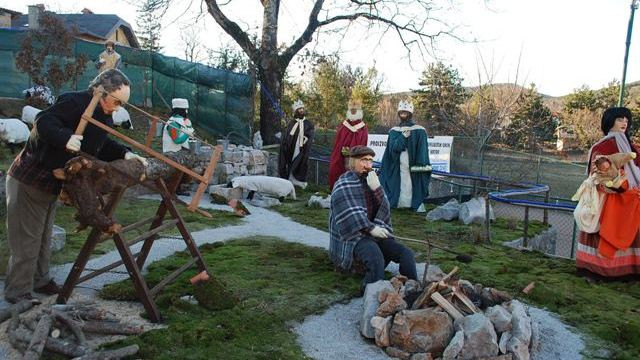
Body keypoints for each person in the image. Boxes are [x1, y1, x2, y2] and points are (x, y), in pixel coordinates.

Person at [4, 69, 148, 304]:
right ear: (100, 92)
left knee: (43, 237)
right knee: (27, 240)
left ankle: (40, 281)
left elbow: (101, 142)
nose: (118, 108)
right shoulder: (74, 101)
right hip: (29, 180)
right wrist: (65, 137)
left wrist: (126, 153)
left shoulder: (102, 113)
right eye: (117, 101)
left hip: (51, 183)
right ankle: (17, 293)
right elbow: (44, 121)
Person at [329, 145, 417, 291]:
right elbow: (350, 213)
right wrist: (371, 229)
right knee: (376, 259)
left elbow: (384, 207)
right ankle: (371, 293)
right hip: (355, 235)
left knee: (406, 254)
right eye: (363, 160)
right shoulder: (343, 184)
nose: (368, 165)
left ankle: (413, 288)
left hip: (375, 231)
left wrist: (377, 188)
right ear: (353, 162)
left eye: (370, 161)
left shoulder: (372, 181)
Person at [576, 107, 640, 278]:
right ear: (609, 121)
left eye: (626, 120)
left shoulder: (632, 147)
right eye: (620, 119)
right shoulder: (602, 146)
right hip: (607, 198)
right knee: (603, 228)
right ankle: (598, 269)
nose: (624, 123)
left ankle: (629, 269)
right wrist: (617, 183)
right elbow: (597, 173)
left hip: (631, 199)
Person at [379, 99, 432, 212]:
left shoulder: (419, 130)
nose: (403, 114)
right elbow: (393, 149)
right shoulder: (394, 131)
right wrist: (403, 137)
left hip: (413, 164)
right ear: (399, 113)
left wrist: (420, 164)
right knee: (400, 182)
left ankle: (414, 203)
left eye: (405, 112)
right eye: (401, 112)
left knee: (412, 183)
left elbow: (422, 150)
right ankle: (399, 203)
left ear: (410, 113)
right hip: (397, 164)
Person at [328, 98, 369, 191]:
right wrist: (345, 152)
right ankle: (338, 190)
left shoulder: (363, 128)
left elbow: (363, 143)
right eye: (352, 110)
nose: (353, 112)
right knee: (335, 169)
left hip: (356, 157)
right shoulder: (344, 126)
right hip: (341, 156)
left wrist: (354, 153)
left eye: (355, 110)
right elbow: (339, 142)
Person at [278, 99, 315, 188]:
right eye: (300, 109)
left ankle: (299, 180)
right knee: (291, 160)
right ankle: (290, 178)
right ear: (296, 111)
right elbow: (287, 135)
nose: (302, 110)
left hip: (302, 148)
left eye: (302, 109)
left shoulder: (308, 124)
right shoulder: (292, 123)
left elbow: (311, 134)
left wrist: (306, 139)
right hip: (292, 147)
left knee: (301, 162)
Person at [162, 98, 195, 196]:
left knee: (186, 168)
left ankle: (177, 188)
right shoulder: (172, 123)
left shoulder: (181, 121)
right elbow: (177, 140)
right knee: (179, 168)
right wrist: (188, 132)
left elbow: (188, 134)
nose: (187, 112)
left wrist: (189, 127)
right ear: (182, 110)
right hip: (171, 152)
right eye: (185, 110)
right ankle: (171, 189)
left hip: (179, 151)